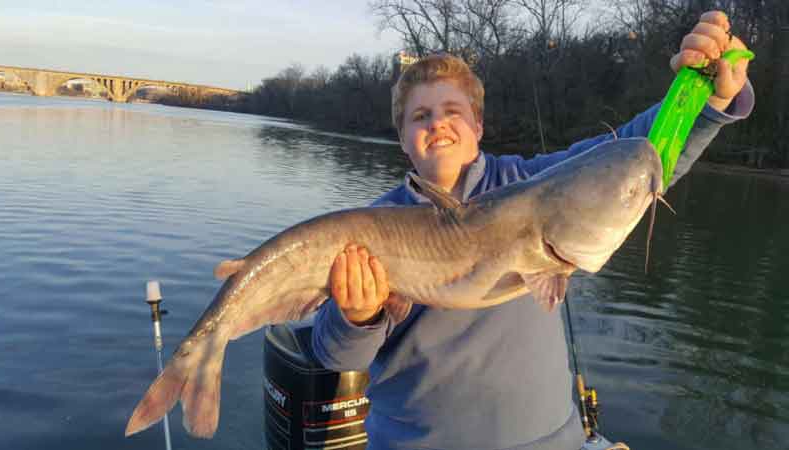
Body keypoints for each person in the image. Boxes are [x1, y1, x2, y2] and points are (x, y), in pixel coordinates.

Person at [312, 10, 753, 450]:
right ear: (403, 136)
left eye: (453, 111)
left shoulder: (530, 184)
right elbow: (336, 357)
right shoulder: (369, 230)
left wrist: (703, 97)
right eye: (420, 116)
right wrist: (357, 317)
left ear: (478, 126)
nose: (437, 124)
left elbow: (632, 158)